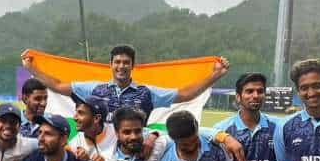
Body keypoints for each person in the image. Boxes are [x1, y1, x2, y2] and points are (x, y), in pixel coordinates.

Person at [21, 44, 230, 118]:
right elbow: (58, 85)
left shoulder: (146, 92)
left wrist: (215, 75)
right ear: (110, 64)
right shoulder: (94, 89)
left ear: (133, 66)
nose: (121, 66)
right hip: (100, 154)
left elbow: (185, 94)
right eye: (117, 62)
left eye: (126, 62)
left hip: (135, 157)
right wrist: (32, 68)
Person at [214, 73, 278, 161]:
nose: (256, 96)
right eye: (249, 91)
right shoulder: (221, 130)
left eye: (260, 91)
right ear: (238, 97)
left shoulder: (278, 126)